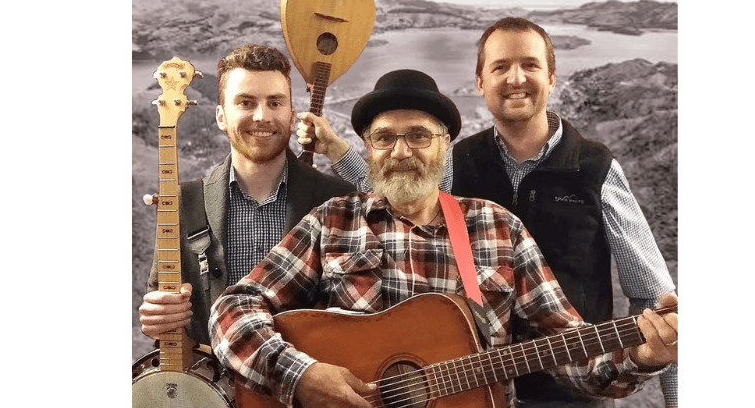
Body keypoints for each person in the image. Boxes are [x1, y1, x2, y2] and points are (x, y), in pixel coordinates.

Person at [209, 70, 678, 408]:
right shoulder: (332, 221)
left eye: (418, 135)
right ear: (368, 149)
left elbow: (575, 353)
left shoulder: (498, 228)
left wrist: (642, 353)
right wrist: (301, 374)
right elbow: (232, 309)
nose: (400, 151)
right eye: (383, 138)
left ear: (445, 145)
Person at [139, 44, 354, 346]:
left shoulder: (338, 200)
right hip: (210, 389)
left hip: (307, 388)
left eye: (275, 103)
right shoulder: (183, 203)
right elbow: (163, 311)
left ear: (293, 117)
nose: (261, 116)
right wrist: (158, 318)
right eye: (245, 102)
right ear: (220, 116)